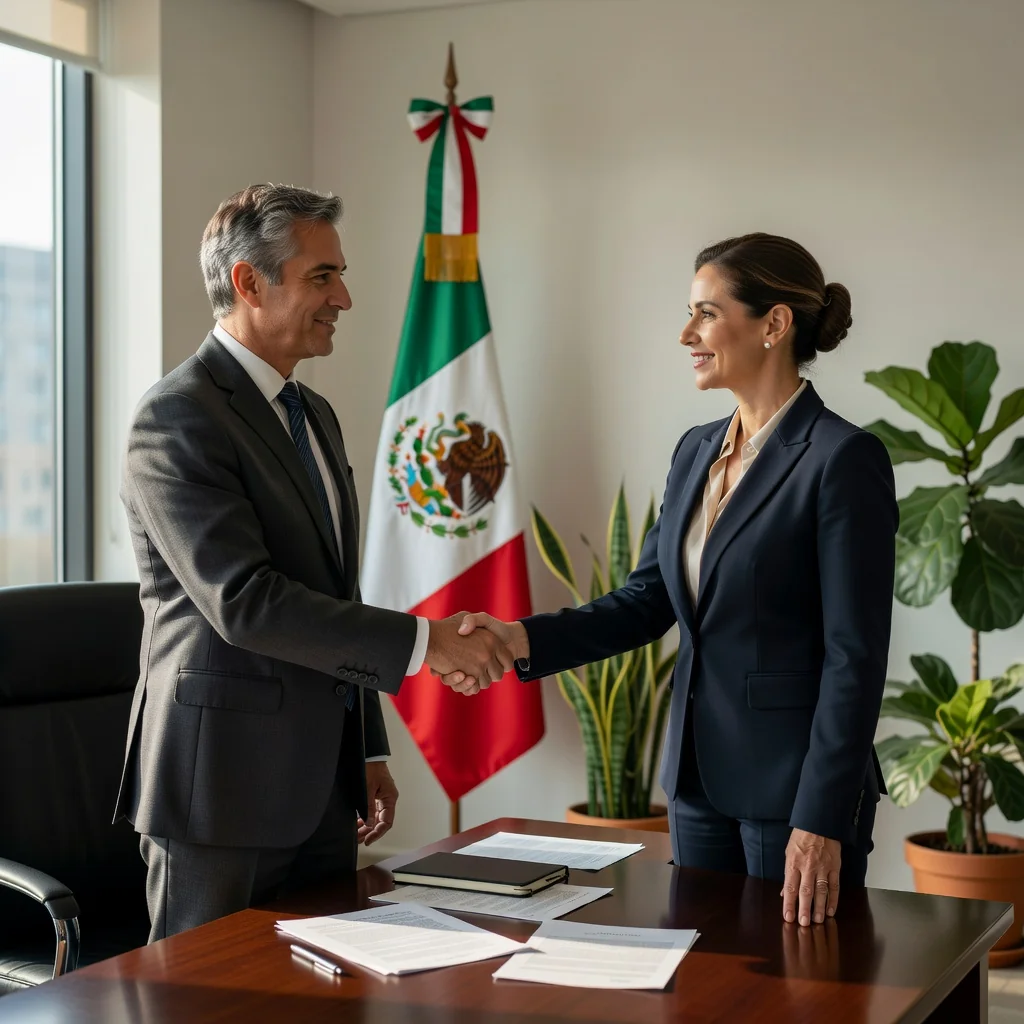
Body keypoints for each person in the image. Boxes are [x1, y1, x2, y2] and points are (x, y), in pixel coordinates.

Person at [447, 233, 897, 929]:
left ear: (774, 325)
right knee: (700, 978)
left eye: (707, 314)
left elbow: (854, 658)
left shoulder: (843, 459)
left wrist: (821, 817)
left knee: (796, 993)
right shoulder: (695, 451)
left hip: (793, 792)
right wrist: (517, 639)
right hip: (693, 782)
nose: (687, 333)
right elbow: (646, 600)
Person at [115, 184, 512, 941]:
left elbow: (334, 590)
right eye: (322, 277)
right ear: (248, 282)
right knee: (210, 1006)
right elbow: (247, 602)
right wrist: (428, 644)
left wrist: (364, 743)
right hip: (219, 793)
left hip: (324, 788)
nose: (345, 298)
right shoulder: (175, 417)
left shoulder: (312, 413)